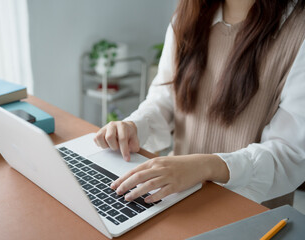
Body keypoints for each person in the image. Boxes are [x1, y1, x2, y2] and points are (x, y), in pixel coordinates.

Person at [94, 0, 305, 205]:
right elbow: (165, 98)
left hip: (251, 213)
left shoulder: (298, 32)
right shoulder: (187, 17)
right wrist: (135, 125)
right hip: (176, 197)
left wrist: (207, 166)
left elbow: (290, 156)